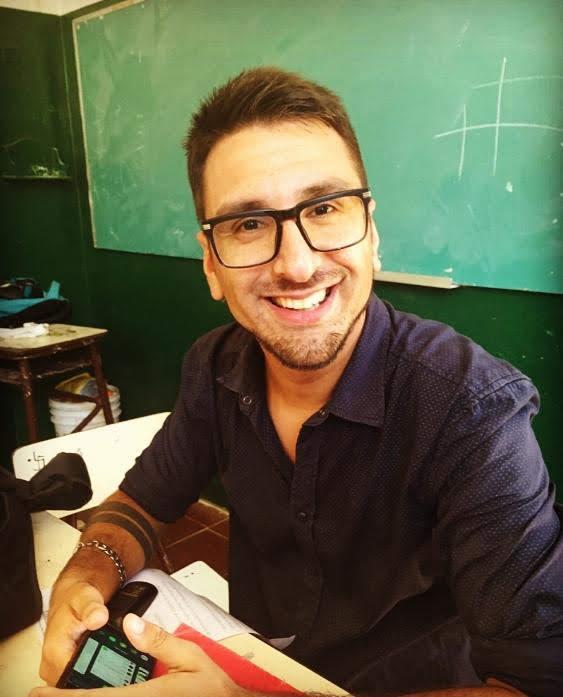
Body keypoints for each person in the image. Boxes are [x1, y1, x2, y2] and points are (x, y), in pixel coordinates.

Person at [35, 67, 562, 697]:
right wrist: (87, 571)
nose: (297, 264)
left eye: (325, 208)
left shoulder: (472, 408)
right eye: (248, 224)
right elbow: (142, 503)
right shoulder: (214, 366)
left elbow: (534, 684)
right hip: (257, 652)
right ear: (211, 265)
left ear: (372, 233)